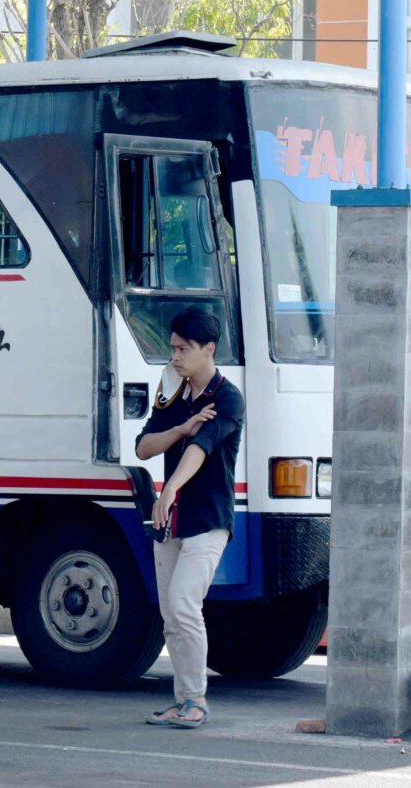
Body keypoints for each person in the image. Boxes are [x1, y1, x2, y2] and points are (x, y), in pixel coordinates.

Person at [133, 307, 243, 729]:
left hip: (207, 519)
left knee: (183, 605)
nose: (175, 356)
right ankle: (182, 702)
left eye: (183, 349)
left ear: (208, 349)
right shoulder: (172, 392)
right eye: (173, 348)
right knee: (171, 616)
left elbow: (204, 449)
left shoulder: (227, 398)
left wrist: (172, 488)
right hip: (169, 523)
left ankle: (196, 701)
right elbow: (144, 447)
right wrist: (181, 428)